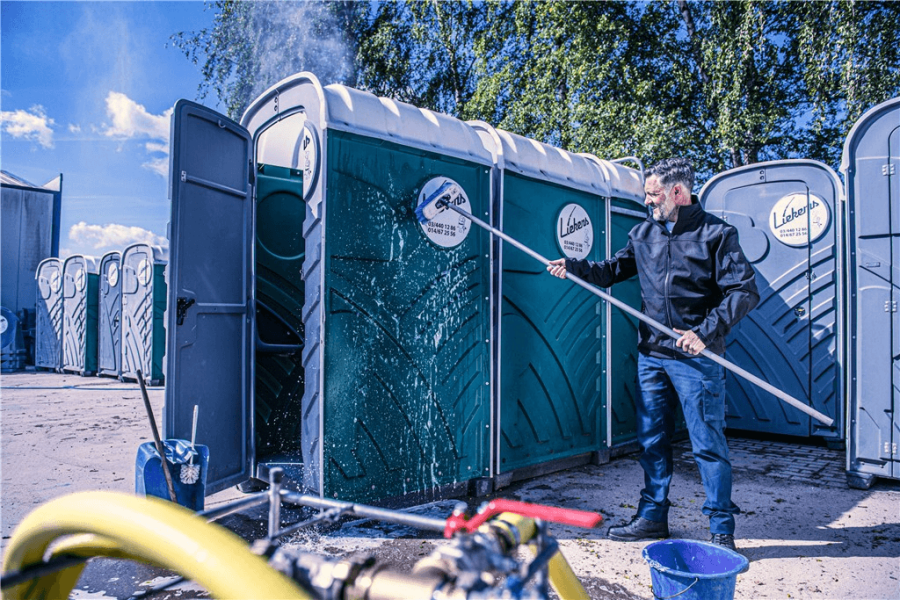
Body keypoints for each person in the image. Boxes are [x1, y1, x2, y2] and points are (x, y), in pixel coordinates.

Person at [547, 157, 759, 552]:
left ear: (677, 192)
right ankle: (652, 517)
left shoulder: (716, 234)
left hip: (697, 359)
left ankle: (721, 529)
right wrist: (574, 267)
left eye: (653, 194)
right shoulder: (643, 233)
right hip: (652, 356)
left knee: (708, 445)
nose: (647, 201)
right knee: (651, 440)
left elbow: (744, 291)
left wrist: (703, 333)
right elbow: (611, 270)